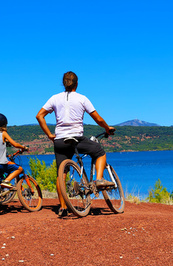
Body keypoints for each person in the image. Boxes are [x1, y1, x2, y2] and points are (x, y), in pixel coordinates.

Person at [36, 71, 115, 217]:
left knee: (61, 175)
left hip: (59, 141)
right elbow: (97, 118)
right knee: (99, 152)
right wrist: (107, 128)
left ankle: (63, 207)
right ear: (76, 84)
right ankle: (98, 179)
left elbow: (39, 115)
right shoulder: (82, 98)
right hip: (76, 139)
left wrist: (49, 134)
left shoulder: (54, 98)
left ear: (63, 83)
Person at [0, 113, 28, 189]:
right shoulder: (3, 133)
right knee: (20, 169)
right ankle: (6, 181)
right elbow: (15, 144)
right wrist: (23, 147)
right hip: (1, 163)